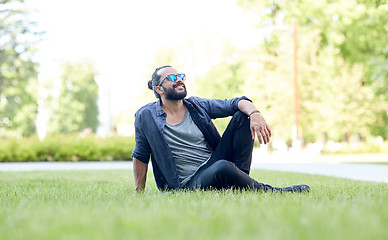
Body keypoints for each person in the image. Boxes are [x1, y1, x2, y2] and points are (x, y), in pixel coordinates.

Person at [132, 65, 310, 193]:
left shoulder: (195, 105)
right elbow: (140, 154)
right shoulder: (146, 116)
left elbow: (234, 103)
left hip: (213, 163)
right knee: (223, 167)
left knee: (242, 115)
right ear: (159, 89)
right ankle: (272, 191)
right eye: (171, 78)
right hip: (188, 183)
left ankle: (240, 185)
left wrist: (255, 113)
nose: (178, 79)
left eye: (180, 76)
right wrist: (138, 192)